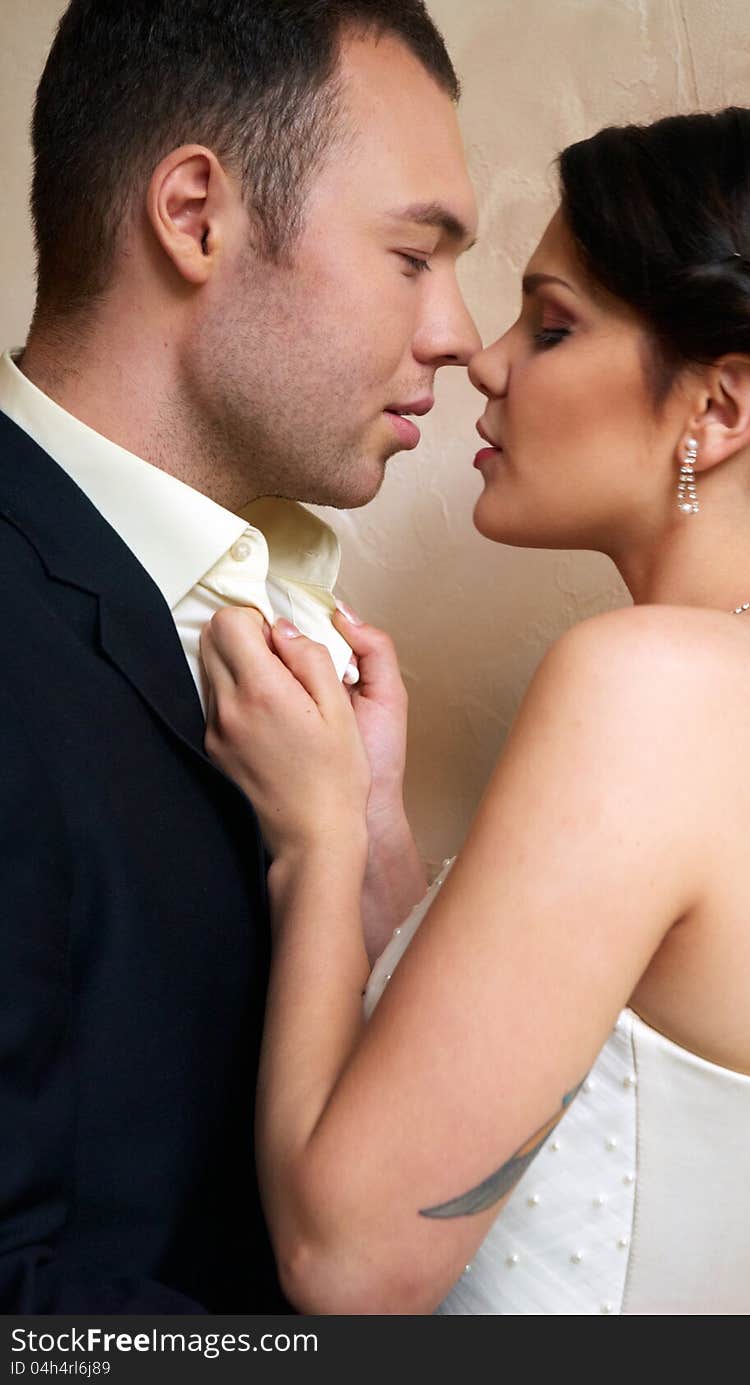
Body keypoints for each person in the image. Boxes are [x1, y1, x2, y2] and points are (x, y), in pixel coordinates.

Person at [202, 107, 750, 1315]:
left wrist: (318, 843)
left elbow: (348, 1262)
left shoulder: (651, 681)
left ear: (718, 409)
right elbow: (592, 1090)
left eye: (553, 324)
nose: (486, 358)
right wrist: (384, 843)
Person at [0, 0, 478, 1312]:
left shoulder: (287, 617)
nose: (460, 335)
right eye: (412, 255)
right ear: (196, 214)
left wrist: (363, 856)